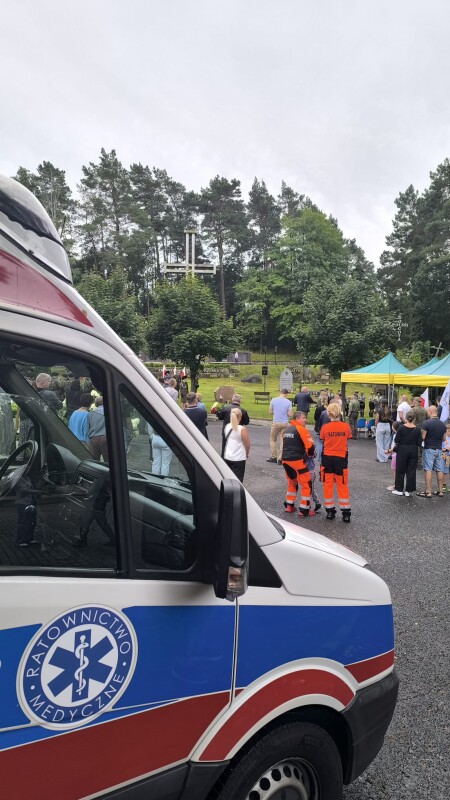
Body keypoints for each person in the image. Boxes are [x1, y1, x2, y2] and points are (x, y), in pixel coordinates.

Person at [320, 402, 352, 522]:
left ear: (328, 414)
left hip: (327, 458)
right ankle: (346, 512)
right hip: (341, 459)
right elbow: (348, 437)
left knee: (327, 485)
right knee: (342, 484)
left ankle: (329, 511)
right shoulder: (345, 427)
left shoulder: (325, 427)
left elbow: (322, 439)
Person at [281, 411, 315, 517]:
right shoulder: (301, 429)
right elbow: (310, 446)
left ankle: (289, 505)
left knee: (292, 482)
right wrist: (310, 455)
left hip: (285, 460)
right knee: (306, 484)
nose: (306, 420)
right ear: (298, 419)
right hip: (297, 460)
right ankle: (304, 509)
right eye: (304, 418)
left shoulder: (287, 430)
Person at [390, 411, 422, 496]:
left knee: (400, 470)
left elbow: (396, 440)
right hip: (413, 450)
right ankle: (408, 491)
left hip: (402, 450)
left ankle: (399, 489)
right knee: (411, 471)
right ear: (414, 419)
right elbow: (419, 442)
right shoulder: (418, 429)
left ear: (406, 418)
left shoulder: (401, 428)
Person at [418, 406, 446, 497]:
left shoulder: (426, 423)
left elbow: (423, 437)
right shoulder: (442, 424)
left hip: (429, 448)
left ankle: (428, 491)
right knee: (439, 469)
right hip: (439, 449)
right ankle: (440, 491)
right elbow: (444, 439)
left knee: (428, 469)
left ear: (429, 412)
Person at [223, 407, 250, 482]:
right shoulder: (242, 429)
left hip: (228, 455)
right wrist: (247, 453)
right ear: (240, 417)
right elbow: (247, 444)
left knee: (228, 479)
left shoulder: (227, 426)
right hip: (239, 457)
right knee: (238, 480)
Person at [267, 388, 292, 463]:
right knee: (282, 440)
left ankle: (274, 456)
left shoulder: (273, 400)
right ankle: (280, 458)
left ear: (280, 392)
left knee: (273, 439)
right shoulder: (288, 402)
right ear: (286, 394)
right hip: (285, 422)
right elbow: (290, 414)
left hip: (276, 422)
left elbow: (270, 412)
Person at [87, 396, 108, 461]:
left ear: (96, 404)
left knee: (95, 463)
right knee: (109, 462)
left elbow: (88, 427)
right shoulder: (109, 411)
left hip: (93, 440)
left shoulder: (90, 413)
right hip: (105, 439)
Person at [409, 396, 427, 469]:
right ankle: (422, 462)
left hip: (415, 429)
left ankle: (417, 463)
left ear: (415, 401)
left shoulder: (413, 410)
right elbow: (427, 419)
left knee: (416, 447)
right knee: (421, 446)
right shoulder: (424, 409)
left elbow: (412, 421)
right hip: (423, 429)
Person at [386, 420, 400, 491]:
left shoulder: (395, 435)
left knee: (394, 469)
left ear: (394, 427)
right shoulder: (399, 435)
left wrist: (388, 451)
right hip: (397, 454)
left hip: (395, 454)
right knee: (396, 470)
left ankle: (396, 485)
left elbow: (394, 446)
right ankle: (397, 484)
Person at [441, 423, 450, 492]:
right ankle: (442, 486)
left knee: (447, 472)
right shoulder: (443, 438)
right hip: (444, 456)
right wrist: (444, 450)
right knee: (443, 471)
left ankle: (446, 486)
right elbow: (440, 447)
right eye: (449, 431)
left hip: (448, 457)